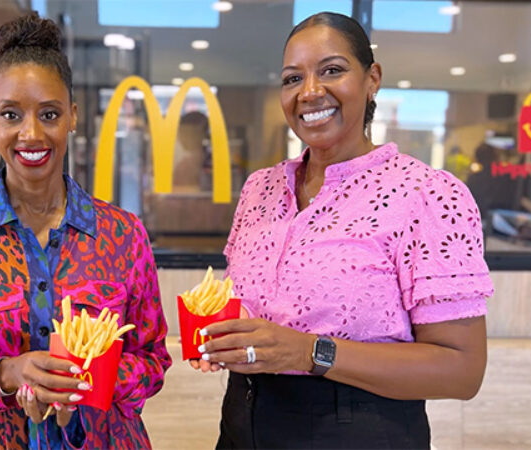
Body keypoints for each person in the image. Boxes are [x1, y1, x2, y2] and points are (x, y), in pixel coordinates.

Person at [191, 12, 493, 449]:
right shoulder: (260, 188)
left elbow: (463, 371)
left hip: (359, 431)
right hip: (242, 424)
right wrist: (229, 340)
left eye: (332, 70)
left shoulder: (426, 194)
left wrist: (308, 351)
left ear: (372, 79)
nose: (310, 92)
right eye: (293, 78)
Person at [0, 12, 171, 450]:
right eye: (11, 114)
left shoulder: (123, 234)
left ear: (72, 117)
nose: (31, 133)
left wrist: (87, 384)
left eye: (49, 114)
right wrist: (4, 374)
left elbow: (152, 361)